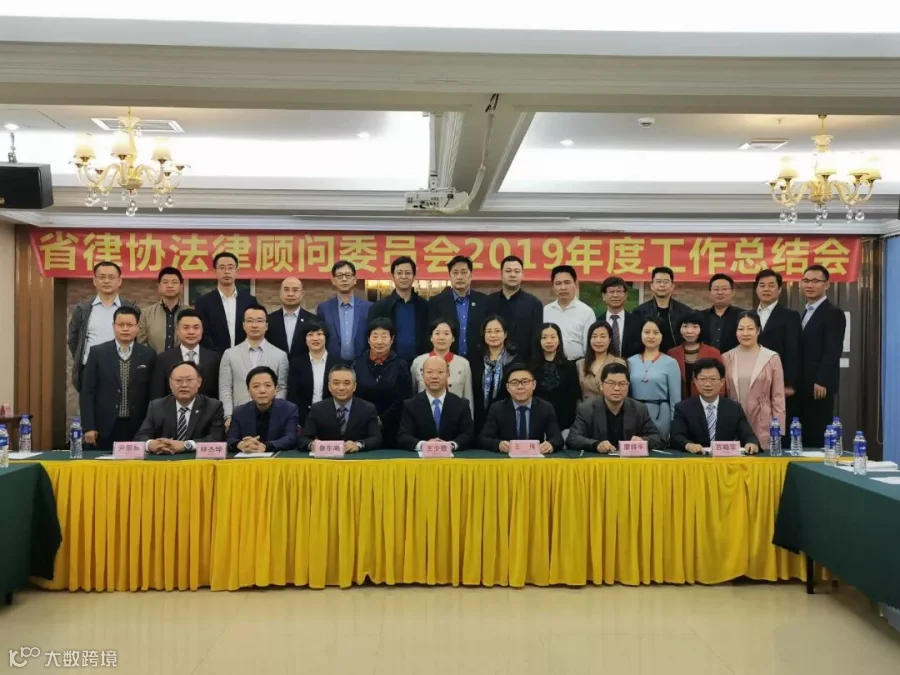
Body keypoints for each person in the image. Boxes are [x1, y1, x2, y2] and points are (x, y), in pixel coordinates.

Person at [79, 306, 156, 450]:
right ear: (113, 326)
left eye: (130, 325)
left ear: (137, 328)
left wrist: (152, 426)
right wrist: (89, 426)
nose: (125, 329)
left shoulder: (148, 355)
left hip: (138, 425)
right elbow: (87, 392)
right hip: (104, 426)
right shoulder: (97, 353)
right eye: (121, 325)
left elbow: (153, 394)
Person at [68, 261, 137, 392]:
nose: (106, 281)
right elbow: (73, 341)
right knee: (89, 404)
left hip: (123, 369)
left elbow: (138, 339)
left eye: (111, 277)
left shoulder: (131, 308)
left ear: (119, 281)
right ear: (94, 281)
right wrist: (83, 359)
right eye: (102, 277)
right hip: (90, 369)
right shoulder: (83, 310)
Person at [798, 264, 847, 448]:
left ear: (827, 285)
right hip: (803, 384)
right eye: (806, 281)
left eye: (815, 281)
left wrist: (822, 381)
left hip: (819, 387)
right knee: (803, 433)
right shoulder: (806, 311)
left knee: (817, 435)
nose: (809, 285)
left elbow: (833, 351)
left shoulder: (833, 313)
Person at [722, 312, 786, 451]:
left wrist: (779, 429)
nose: (745, 333)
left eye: (750, 329)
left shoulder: (772, 358)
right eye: (741, 329)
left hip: (763, 420)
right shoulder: (726, 358)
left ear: (758, 330)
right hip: (734, 419)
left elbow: (778, 397)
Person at [566, 362, 663, 453]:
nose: (617, 388)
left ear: (628, 386)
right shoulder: (587, 409)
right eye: (611, 383)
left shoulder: (639, 409)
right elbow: (573, 438)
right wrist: (596, 444)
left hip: (629, 461)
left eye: (622, 384)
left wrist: (643, 440)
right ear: (601, 386)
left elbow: (657, 438)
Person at [218, 304, 289, 428]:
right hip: (238, 418)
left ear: (266, 326)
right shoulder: (229, 354)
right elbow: (225, 388)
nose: (254, 325)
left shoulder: (280, 355)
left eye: (259, 321)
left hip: (270, 418)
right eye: (250, 321)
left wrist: (276, 413)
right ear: (243, 325)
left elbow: (282, 388)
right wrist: (228, 416)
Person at [671, 358, 760, 454]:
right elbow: (676, 436)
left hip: (725, 459)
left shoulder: (734, 408)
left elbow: (748, 435)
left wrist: (751, 443)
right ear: (695, 381)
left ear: (722, 382)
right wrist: (688, 445)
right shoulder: (684, 408)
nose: (707, 384)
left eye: (713, 379)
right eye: (703, 379)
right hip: (695, 459)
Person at [135, 361, 226, 454]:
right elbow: (141, 437)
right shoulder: (156, 406)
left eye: (189, 380)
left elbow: (217, 439)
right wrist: (151, 444)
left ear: (199, 382)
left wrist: (185, 445)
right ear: (170, 383)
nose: (184, 385)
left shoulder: (213, 406)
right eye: (178, 380)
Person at [352, 317, 413, 447]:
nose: (379, 341)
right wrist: (369, 419)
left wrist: (382, 419)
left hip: (393, 427)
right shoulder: (357, 364)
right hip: (362, 425)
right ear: (368, 339)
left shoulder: (401, 365)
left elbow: (405, 398)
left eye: (384, 336)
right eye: (375, 336)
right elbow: (352, 395)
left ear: (392, 339)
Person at [478, 364, 564, 454]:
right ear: (508, 387)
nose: (520, 387)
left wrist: (551, 444)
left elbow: (557, 438)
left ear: (534, 385)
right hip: (507, 458)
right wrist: (498, 444)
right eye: (514, 383)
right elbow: (483, 438)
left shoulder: (545, 408)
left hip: (535, 458)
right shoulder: (497, 409)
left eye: (525, 382)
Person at [398, 355, 475, 452]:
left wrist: (450, 445)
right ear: (422, 375)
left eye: (440, 372)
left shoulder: (461, 404)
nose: (434, 376)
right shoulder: (410, 405)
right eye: (429, 372)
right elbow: (404, 436)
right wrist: (424, 445)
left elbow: (468, 434)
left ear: (448, 374)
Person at [299, 364, 382, 453]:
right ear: (329, 386)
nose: (341, 388)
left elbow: (376, 438)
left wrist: (358, 445)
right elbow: (303, 439)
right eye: (336, 383)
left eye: (346, 383)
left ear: (354, 386)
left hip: (356, 458)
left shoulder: (368, 408)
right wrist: (312, 445)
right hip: (327, 458)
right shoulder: (317, 409)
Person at [627, 317, 681, 442]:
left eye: (656, 332)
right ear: (640, 334)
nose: (651, 336)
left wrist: (675, 426)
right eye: (647, 332)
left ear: (662, 336)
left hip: (661, 413)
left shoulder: (670, 363)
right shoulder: (630, 361)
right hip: (634, 412)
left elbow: (675, 400)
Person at [369, 256, 430, 363]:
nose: (404, 276)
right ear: (393, 276)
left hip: (419, 363)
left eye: (408, 273)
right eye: (399, 273)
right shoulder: (380, 306)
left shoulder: (424, 306)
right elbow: (371, 336)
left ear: (414, 276)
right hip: (389, 363)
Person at [194, 252, 258, 353]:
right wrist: (215, 355)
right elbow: (203, 332)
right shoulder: (203, 302)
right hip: (214, 357)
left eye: (230, 267)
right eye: (222, 268)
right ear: (215, 272)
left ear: (237, 271)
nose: (226, 272)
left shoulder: (249, 301)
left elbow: (254, 329)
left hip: (244, 355)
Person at [151, 309, 221, 400]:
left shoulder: (215, 359)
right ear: (177, 331)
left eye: (196, 328)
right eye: (186, 328)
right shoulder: (163, 359)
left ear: (202, 330)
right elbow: (158, 395)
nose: (191, 332)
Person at [755, 268, 801, 407]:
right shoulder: (748, 315)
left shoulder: (790, 316)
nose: (766, 289)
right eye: (762, 285)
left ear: (779, 289)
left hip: (778, 379)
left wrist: (789, 383)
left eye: (771, 285)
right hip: (753, 378)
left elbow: (793, 351)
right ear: (757, 289)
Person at [227, 366, 300, 453]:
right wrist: (241, 444)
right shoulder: (239, 412)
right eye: (256, 386)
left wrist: (265, 446)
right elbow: (231, 439)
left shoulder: (289, 409)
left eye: (268, 385)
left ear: (276, 389)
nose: (262, 391)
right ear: (249, 391)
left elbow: (291, 438)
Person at [427, 255, 488, 359]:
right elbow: (431, 334)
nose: (459, 277)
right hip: (446, 360)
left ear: (471, 275)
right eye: (455, 273)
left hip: (478, 360)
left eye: (464, 272)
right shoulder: (436, 302)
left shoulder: (484, 301)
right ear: (450, 276)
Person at [486, 255, 543, 363]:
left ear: (522, 275)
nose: (512, 275)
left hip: (523, 364)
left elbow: (536, 340)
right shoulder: (488, 302)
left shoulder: (534, 304)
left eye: (517, 271)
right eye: (508, 271)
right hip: (492, 362)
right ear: (501, 274)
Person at [411, 318, 474, 414]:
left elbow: (468, 396)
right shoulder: (418, 362)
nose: (441, 337)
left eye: (446, 333)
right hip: (424, 415)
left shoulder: (463, 364)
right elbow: (412, 394)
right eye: (437, 333)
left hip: (456, 416)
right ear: (431, 337)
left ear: (453, 338)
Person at [316, 260, 373, 362]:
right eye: (339, 276)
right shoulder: (324, 309)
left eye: (348, 275)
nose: (344, 279)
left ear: (355, 280)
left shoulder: (368, 307)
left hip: (361, 363)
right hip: (333, 364)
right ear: (333, 280)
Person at [287, 321, 341, 426]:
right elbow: (293, 395)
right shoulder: (296, 364)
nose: (315, 338)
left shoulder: (338, 364)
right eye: (310, 334)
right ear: (305, 339)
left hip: (333, 418)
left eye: (319, 334)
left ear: (326, 337)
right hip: (304, 419)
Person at [470, 315, 516, 432]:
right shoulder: (474, 359)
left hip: (507, 419)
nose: (493, 335)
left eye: (497, 331)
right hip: (479, 419)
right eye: (489, 331)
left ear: (505, 334)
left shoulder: (514, 360)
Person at [531, 322, 580, 430]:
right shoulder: (531, 368)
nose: (549, 341)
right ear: (539, 341)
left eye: (553, 337)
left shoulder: (569, 367)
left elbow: (573, 397)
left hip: (563, 422)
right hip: (536, 421)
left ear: (559, 340)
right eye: (544, 337)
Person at [542, 265, 596, 360]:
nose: (563, 287)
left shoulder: (586, 312)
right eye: (558, 283)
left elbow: (589, 346)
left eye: (567, 283)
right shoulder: (545, 311)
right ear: (553, 286)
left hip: (577, 363)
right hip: (549, 364)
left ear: (575, 283)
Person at [634, 266, 692, 353]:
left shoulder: (685, 312)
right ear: (652, 286)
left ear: (672, 286)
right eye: (658, 281)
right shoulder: (640, 312)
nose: (662, 285)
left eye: (666, 282)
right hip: (649, 357)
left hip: (677, 357)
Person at [667, 312, 722, 400]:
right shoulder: (672, 353)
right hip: (679, 402)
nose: (689, 331)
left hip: (706, 401)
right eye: (685, 326)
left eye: (695, 327)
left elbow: (721, 383)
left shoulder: (713, 353)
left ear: (701, 329)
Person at [267, 277, 317, 358]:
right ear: (280, 293)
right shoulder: (269, 320)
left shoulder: (313, 320)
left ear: (302, 294)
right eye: (286, 290)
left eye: (295, 290)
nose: (290, 294)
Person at [575, 320, 627, 400]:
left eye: (603, 336)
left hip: (610, 405)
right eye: (594, 336)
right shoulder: (580, 364)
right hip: (586, 406)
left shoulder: (619, 362)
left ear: (610, 339)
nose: (598, 340)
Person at [137, 266, 184, 353]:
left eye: (174, 282)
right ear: (159, 286)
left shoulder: (190, 313)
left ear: (181, 286)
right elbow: (141, 343)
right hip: (154, 360)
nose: (170, 286)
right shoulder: (146, 314)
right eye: (165, 282)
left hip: (183, 361)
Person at [600, 276, 642, 359]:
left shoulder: (637, 322)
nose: (615, 295)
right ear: (604, 296)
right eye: (611, 291)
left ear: (625, 295)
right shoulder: (597, 322)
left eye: (619, 291)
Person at [704, 273, 744, 354]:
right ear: (710, 293)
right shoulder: (701, 316)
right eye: (716, 289)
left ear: (732, 292)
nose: (720, 292)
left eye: (724, 289)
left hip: (734, 359)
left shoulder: (743, 316)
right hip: (706, 360)